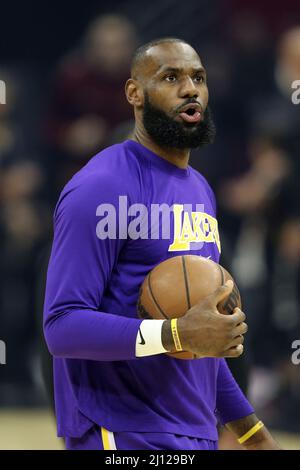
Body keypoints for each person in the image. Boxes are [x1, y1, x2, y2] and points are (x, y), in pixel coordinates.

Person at [43, 38, 280, 450]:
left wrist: (253, 435)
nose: (190, 89)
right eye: (171, 77)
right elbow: (61, 327)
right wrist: (175, 334)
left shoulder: (201, 190)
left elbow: (200, 342)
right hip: (120, 432)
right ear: (134, 93)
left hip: (194, 431)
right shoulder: (101, 186)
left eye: (198, 78)